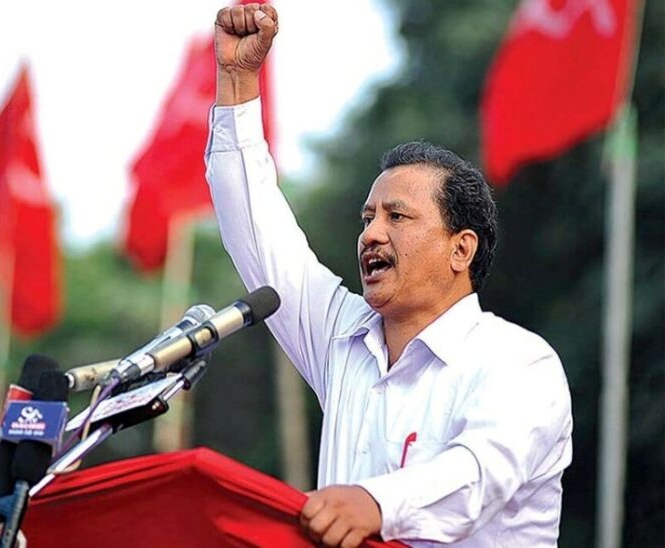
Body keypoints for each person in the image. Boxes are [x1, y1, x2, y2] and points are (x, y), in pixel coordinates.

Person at [206, 5, 573, 547]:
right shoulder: (342, 339)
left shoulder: (519, 363)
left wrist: (377, 503)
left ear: (460, 249)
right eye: (367, 219)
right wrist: (237, 80)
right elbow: (257, 232)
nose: (371, 234)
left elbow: (478, 471)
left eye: (396, 217)